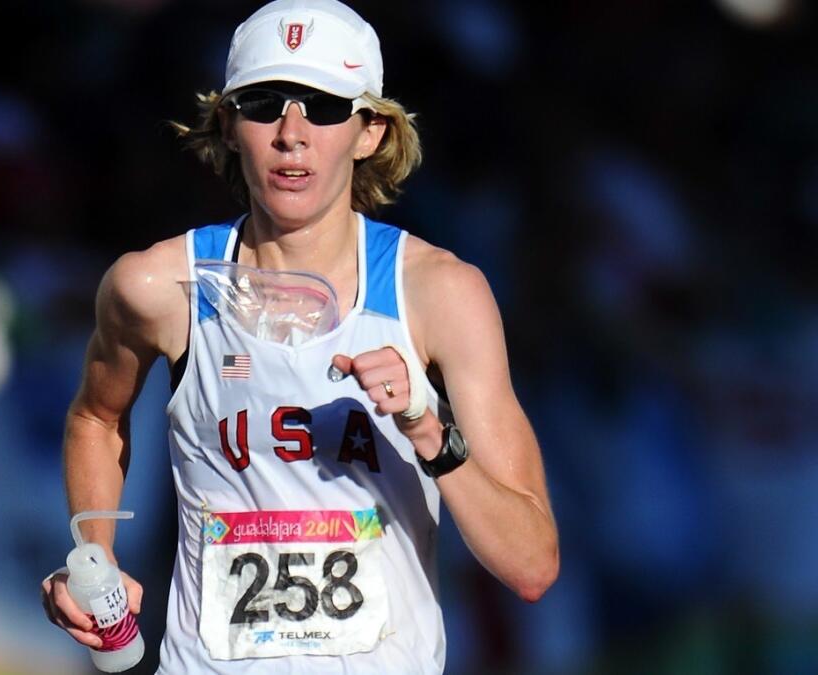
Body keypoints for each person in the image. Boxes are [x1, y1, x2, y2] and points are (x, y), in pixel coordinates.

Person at [41, 0, 559, 672]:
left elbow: (531, 564)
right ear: (228, 126)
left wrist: (427, 427)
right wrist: (94, 557)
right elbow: (96, 416)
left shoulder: (439, 295)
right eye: (263, 104)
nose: (292, 133)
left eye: (322, 105)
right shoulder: (157, 288)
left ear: (369, 130)